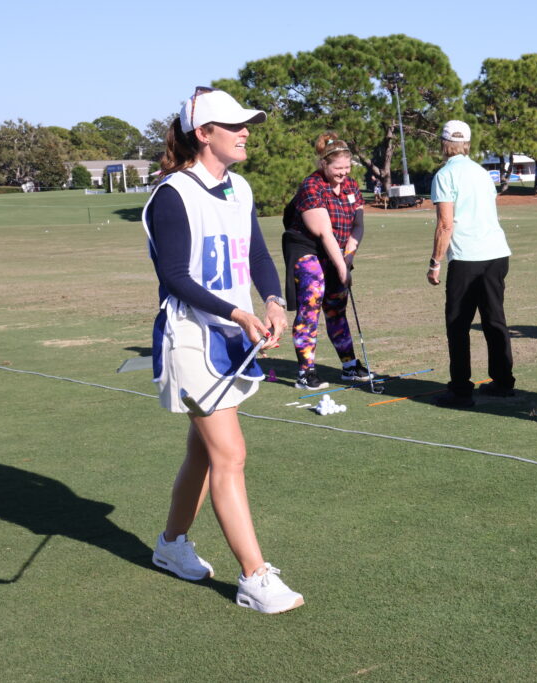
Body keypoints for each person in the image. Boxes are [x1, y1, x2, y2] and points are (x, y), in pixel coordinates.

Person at [142, 87, 304, 613]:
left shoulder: (240, 187)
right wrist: (238, 312)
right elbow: (174, 276)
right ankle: (255, 577)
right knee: (230, 454)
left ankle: (170, 546)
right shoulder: (173, 195)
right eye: (234, 126)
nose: (245, 132)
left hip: (231, 338)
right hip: (191, 337)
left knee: (203, 452)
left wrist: (274, 301)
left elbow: (256, 253)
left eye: (246, 125)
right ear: (203, 134)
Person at [426, 120, 515, 408]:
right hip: (497, 254)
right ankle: (503, 382)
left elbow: (445, 224)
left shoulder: (444, 175)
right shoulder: (481, 172)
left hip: (467, 257)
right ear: (467, 144)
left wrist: (435, 262)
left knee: (458, 323)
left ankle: (461, 390)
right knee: (494, 320)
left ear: (443, 144)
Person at [282, 133, 371, 390]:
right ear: (324, 164)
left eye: (347, 168)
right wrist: (343, 270)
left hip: (338, 250)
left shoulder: (352, 187)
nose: (343, 173)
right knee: (312, 300)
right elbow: (324, 232)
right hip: (306, 247)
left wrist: (349, 257)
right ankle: (305, 371)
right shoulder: (312, 186)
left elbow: (358, 225)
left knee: (336, 307)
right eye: (338, 168)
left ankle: (349, 366)